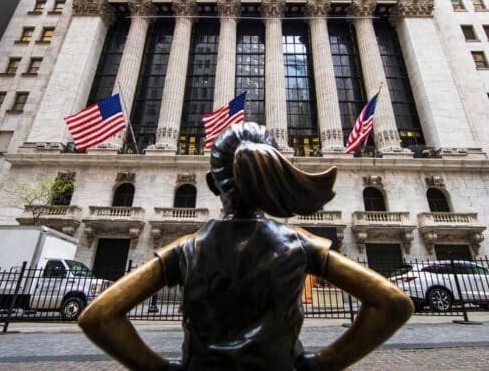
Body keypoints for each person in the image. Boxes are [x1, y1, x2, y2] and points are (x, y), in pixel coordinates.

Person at [78, 123, 414, 371]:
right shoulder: (299, 243)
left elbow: (99, 317)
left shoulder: (187, 249)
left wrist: (164, 370)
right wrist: (320, 365)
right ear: (271, 179)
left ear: (212, 185)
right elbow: (393, 303)